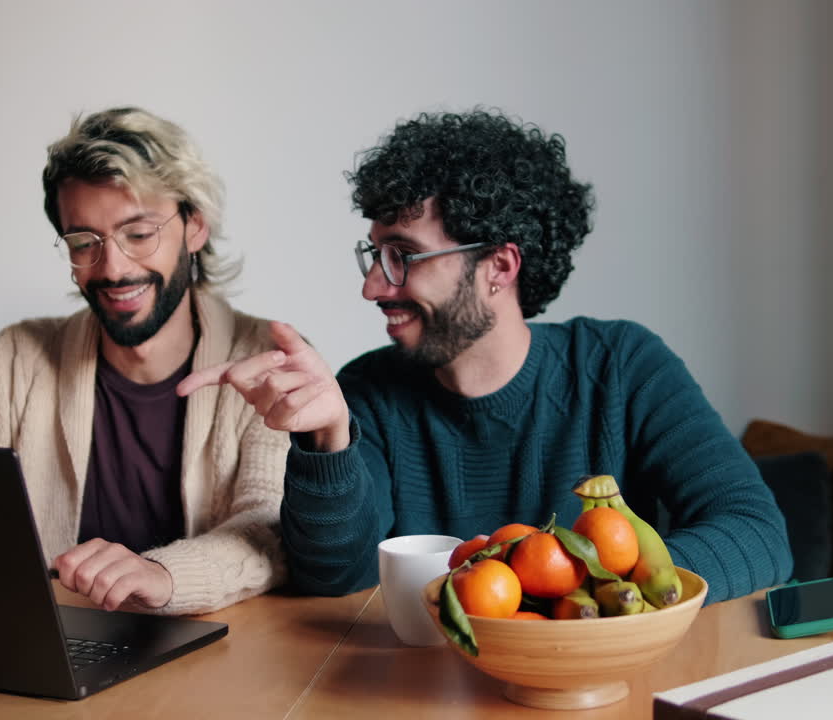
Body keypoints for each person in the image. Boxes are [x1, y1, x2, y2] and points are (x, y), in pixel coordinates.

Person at [178, 109, 792, 604]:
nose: (373, 287)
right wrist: (328, 443)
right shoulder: (369, 389)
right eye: (374, 257)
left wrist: (552, 594)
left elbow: (756, 535)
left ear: (499, 266)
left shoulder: (622, 367)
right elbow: (334, 577)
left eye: (403, 256)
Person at [0, 107, 289, 615]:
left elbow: (274, 524)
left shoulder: (264, 360)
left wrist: (165, 575)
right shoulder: (13, 360)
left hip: (222, 655)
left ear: (195, 228)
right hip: (46, 648)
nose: (113, 267)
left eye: (139, 234)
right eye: (84, 242)